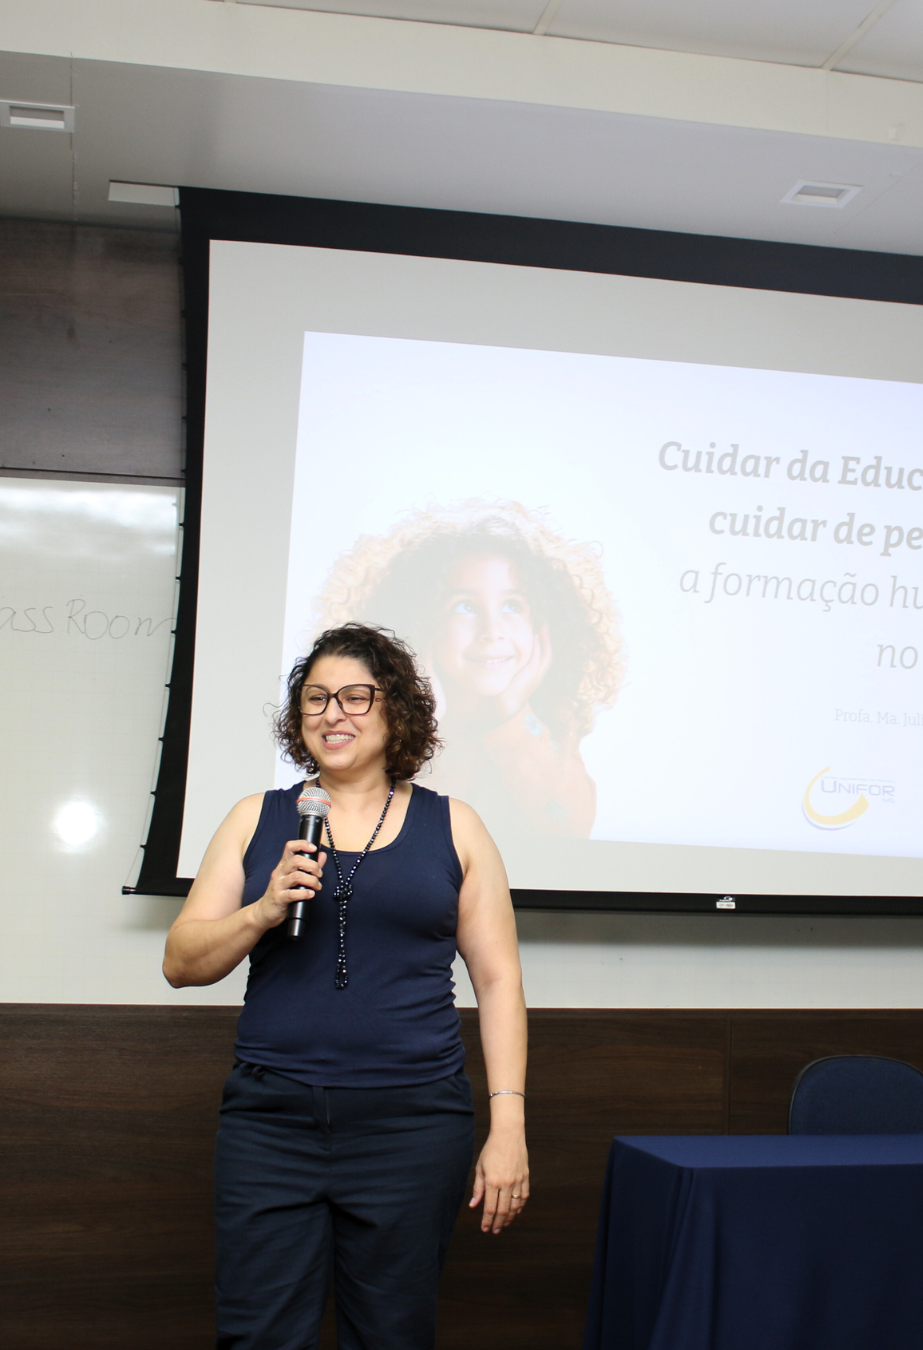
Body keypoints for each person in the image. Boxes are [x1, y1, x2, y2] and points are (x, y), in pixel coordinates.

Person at [163, 622, 528, 1350]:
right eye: (316, 699)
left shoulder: (455, 826)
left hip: (413, 1126)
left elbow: (498, 980)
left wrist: (509, 1127)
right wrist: (263, 909)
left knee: (392, 1335)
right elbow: (182, 960)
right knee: (258, 1334)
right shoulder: (256, 818)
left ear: (397, 708)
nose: (334, 714)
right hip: (272, 1123)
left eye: (355, 696)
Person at [312, 500, 624, 840]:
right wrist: (427, 721)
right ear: (425, 622)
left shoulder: (550, 720)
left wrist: (513, 717)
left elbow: (571, 827)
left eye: (512, 605)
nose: (493, 630)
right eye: (465, 606)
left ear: (540, 625)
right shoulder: (375, 721)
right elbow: (393, 836)